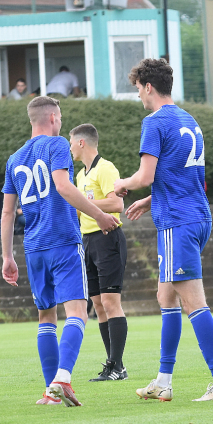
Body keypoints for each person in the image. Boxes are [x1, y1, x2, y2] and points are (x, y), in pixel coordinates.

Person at [116, 58, 213, 402]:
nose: (138, 95)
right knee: (165, 296)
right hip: (196, 215)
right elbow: (187, 179)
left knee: (194, 302)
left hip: (178, 223)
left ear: (148, 87)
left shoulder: (153, 122)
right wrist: (150, 201)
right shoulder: (189, 120)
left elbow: (144, 175)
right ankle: (163, 381)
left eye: (138, 88)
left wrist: (123, 185)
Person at [1, 97, 119, 407]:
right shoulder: (56, 147)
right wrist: (100, 215)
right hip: (63, 240)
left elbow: (7, 213)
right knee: (78, 312)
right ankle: (62, 378)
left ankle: (50, 391)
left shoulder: (14, 159)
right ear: (53, 117)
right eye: (61, 117)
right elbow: (64, 187)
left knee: (46, 317)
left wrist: (7, 256)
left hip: (33, 246)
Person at [69, 123, 130, 383]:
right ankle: (115, 365)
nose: (69, 147)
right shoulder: (80, 176)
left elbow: (117, 203)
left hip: (108, 239)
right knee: (97, 304)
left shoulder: (106, 168)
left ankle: (117, 366)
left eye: (71, 141)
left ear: (82, 142)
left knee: (110, 301)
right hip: (88, 241)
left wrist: (85, 204)